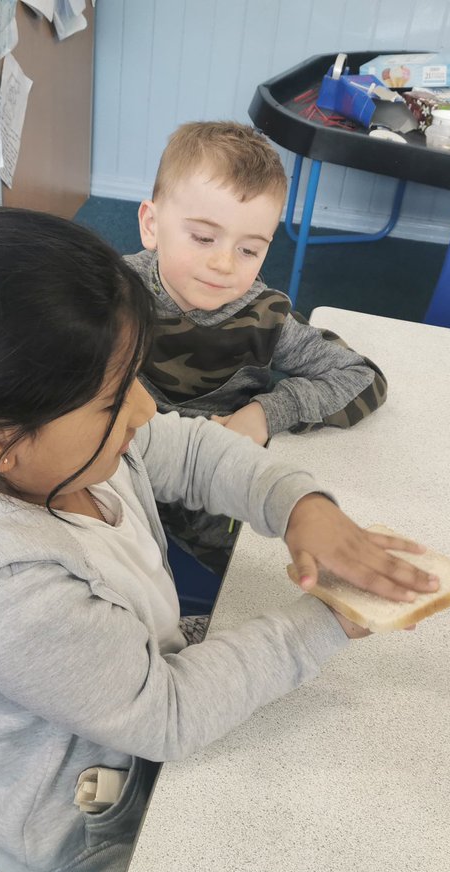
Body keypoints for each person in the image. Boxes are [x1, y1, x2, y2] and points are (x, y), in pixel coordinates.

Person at [0, 206, 436, 872]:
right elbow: (166, 714)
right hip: (75, 843)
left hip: (121, 702)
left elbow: (191, 449)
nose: (143, 410)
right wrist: (324, 620)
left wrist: (298, 505)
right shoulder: (11, 604)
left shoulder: (42, 449)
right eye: (114, 398)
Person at [125, 120, 389, 574]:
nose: (224, 263)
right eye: (204, 238)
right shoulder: (107, 291)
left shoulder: (267, 316)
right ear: (152, 224)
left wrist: (265, 414)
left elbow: (362, 378)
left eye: (250, 250)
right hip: (118, 489)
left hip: (215, 510)